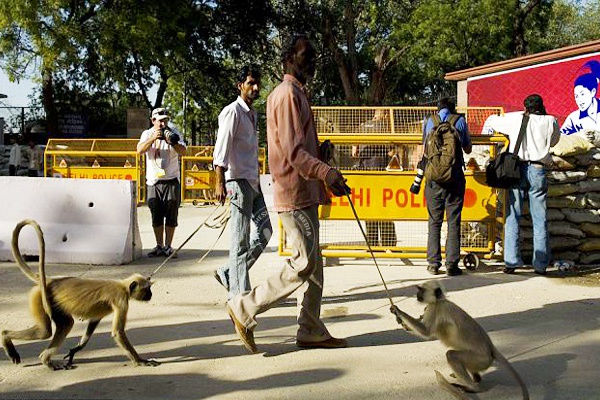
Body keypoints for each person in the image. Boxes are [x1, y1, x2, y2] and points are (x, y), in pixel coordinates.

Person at [225, 34, 350, 354]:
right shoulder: (287, 95)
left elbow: (297, 147)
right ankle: (244, 307)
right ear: (289, 58)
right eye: (306, 55)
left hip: (305, 190)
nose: (312, 60)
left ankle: (310, 329)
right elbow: (293, 153)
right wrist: (326, 172)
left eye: (313, 55)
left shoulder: (296, 94)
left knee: (314, 265)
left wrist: (321, 155)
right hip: (293, 192)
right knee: (304, 262)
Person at [212, 65, 273, 299]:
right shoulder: (232, 112)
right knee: (240, 241)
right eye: (250, 83)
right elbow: (222, 148)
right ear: (240, 86)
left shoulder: (252, 114)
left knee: (265, 232)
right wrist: (219, 182)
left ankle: (229, 273)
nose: (255, 88)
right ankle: (239, 296)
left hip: (253, 182)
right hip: (237, 183)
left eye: (257, 83)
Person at [486, 94, 560, 275]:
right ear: (542, 106)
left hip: (516, 170)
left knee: (513, 215)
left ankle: (511, 262)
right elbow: (555, 141)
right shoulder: (551, 121)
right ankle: (540, 265)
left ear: (525, 107)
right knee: (539, 219)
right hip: (538, 169)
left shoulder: (516, 120)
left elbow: (492, 120)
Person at [422, 98, 472, 276]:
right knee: (453, 221)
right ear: (453, 110)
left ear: (438, 109)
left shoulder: (429, 121)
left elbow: (424, 149)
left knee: (434, 221)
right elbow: (467, 148)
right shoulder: (460, 121)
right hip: (455, 177)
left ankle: (433, 264)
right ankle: (452, 265)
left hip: (434, 179)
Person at [137, 108, 187, 258]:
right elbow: (139, 150)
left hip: (171, 179)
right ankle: (159, 245)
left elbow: (183, 151)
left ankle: (168, 246)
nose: (163, 123)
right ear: (153, 121)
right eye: (160, 120)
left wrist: (172, 142)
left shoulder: (174, 132)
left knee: (171, 214)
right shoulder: (147, 134)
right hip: (154, 181)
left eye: (165, 120)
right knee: (156, 214)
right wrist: (152, 139)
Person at [352, 109, 397, 248]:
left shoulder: (361, 127)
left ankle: (372, 243)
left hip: (365, 173)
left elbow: (354, 152)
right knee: (384, 208)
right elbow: (391, 152)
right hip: (381, 173)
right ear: (383, 115)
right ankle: (388, 243)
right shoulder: (384, 128)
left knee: (369, 208)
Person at [561, 60, 600, 135]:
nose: (579, 100)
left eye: (582, 94)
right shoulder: (573, 117)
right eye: (576, 96)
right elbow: (561, 136)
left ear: (593, 92)